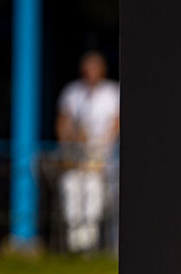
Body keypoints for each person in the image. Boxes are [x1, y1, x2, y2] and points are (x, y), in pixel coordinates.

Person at [55, 50, 120, 252]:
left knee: (94, 191)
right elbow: (63, 121)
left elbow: (117, 123)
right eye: (87, 69)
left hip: (104, 155)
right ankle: (76, 243)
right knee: (71, 186)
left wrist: (99, 148)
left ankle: (91, 244)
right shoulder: (73, 92)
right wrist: (70, 143)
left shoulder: (113, 92)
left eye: (95, 68)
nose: (91, 72)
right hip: (76, 155)